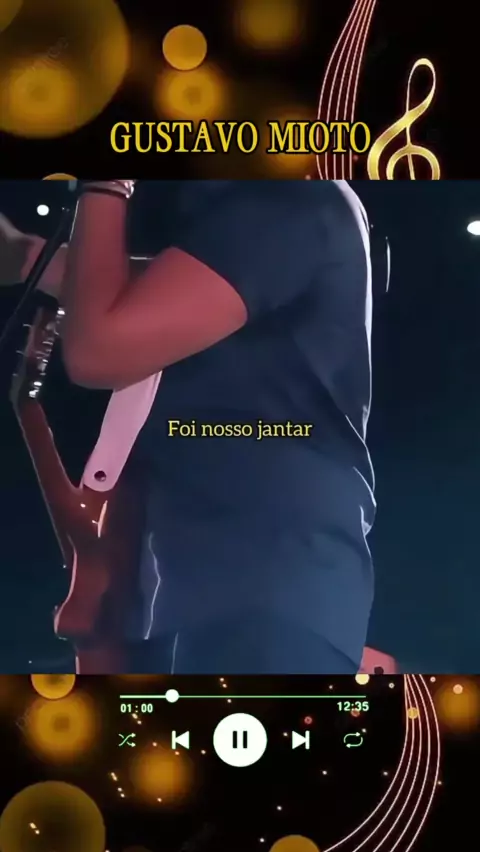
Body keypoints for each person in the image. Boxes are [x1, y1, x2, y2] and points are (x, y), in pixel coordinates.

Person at [0, 179, 375, 674]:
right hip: (204, 589)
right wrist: (23, 256)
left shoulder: (284, 200)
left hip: (257, 589)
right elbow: (142, 291)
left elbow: (98, 350)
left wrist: (104, 185)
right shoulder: (252, 220)